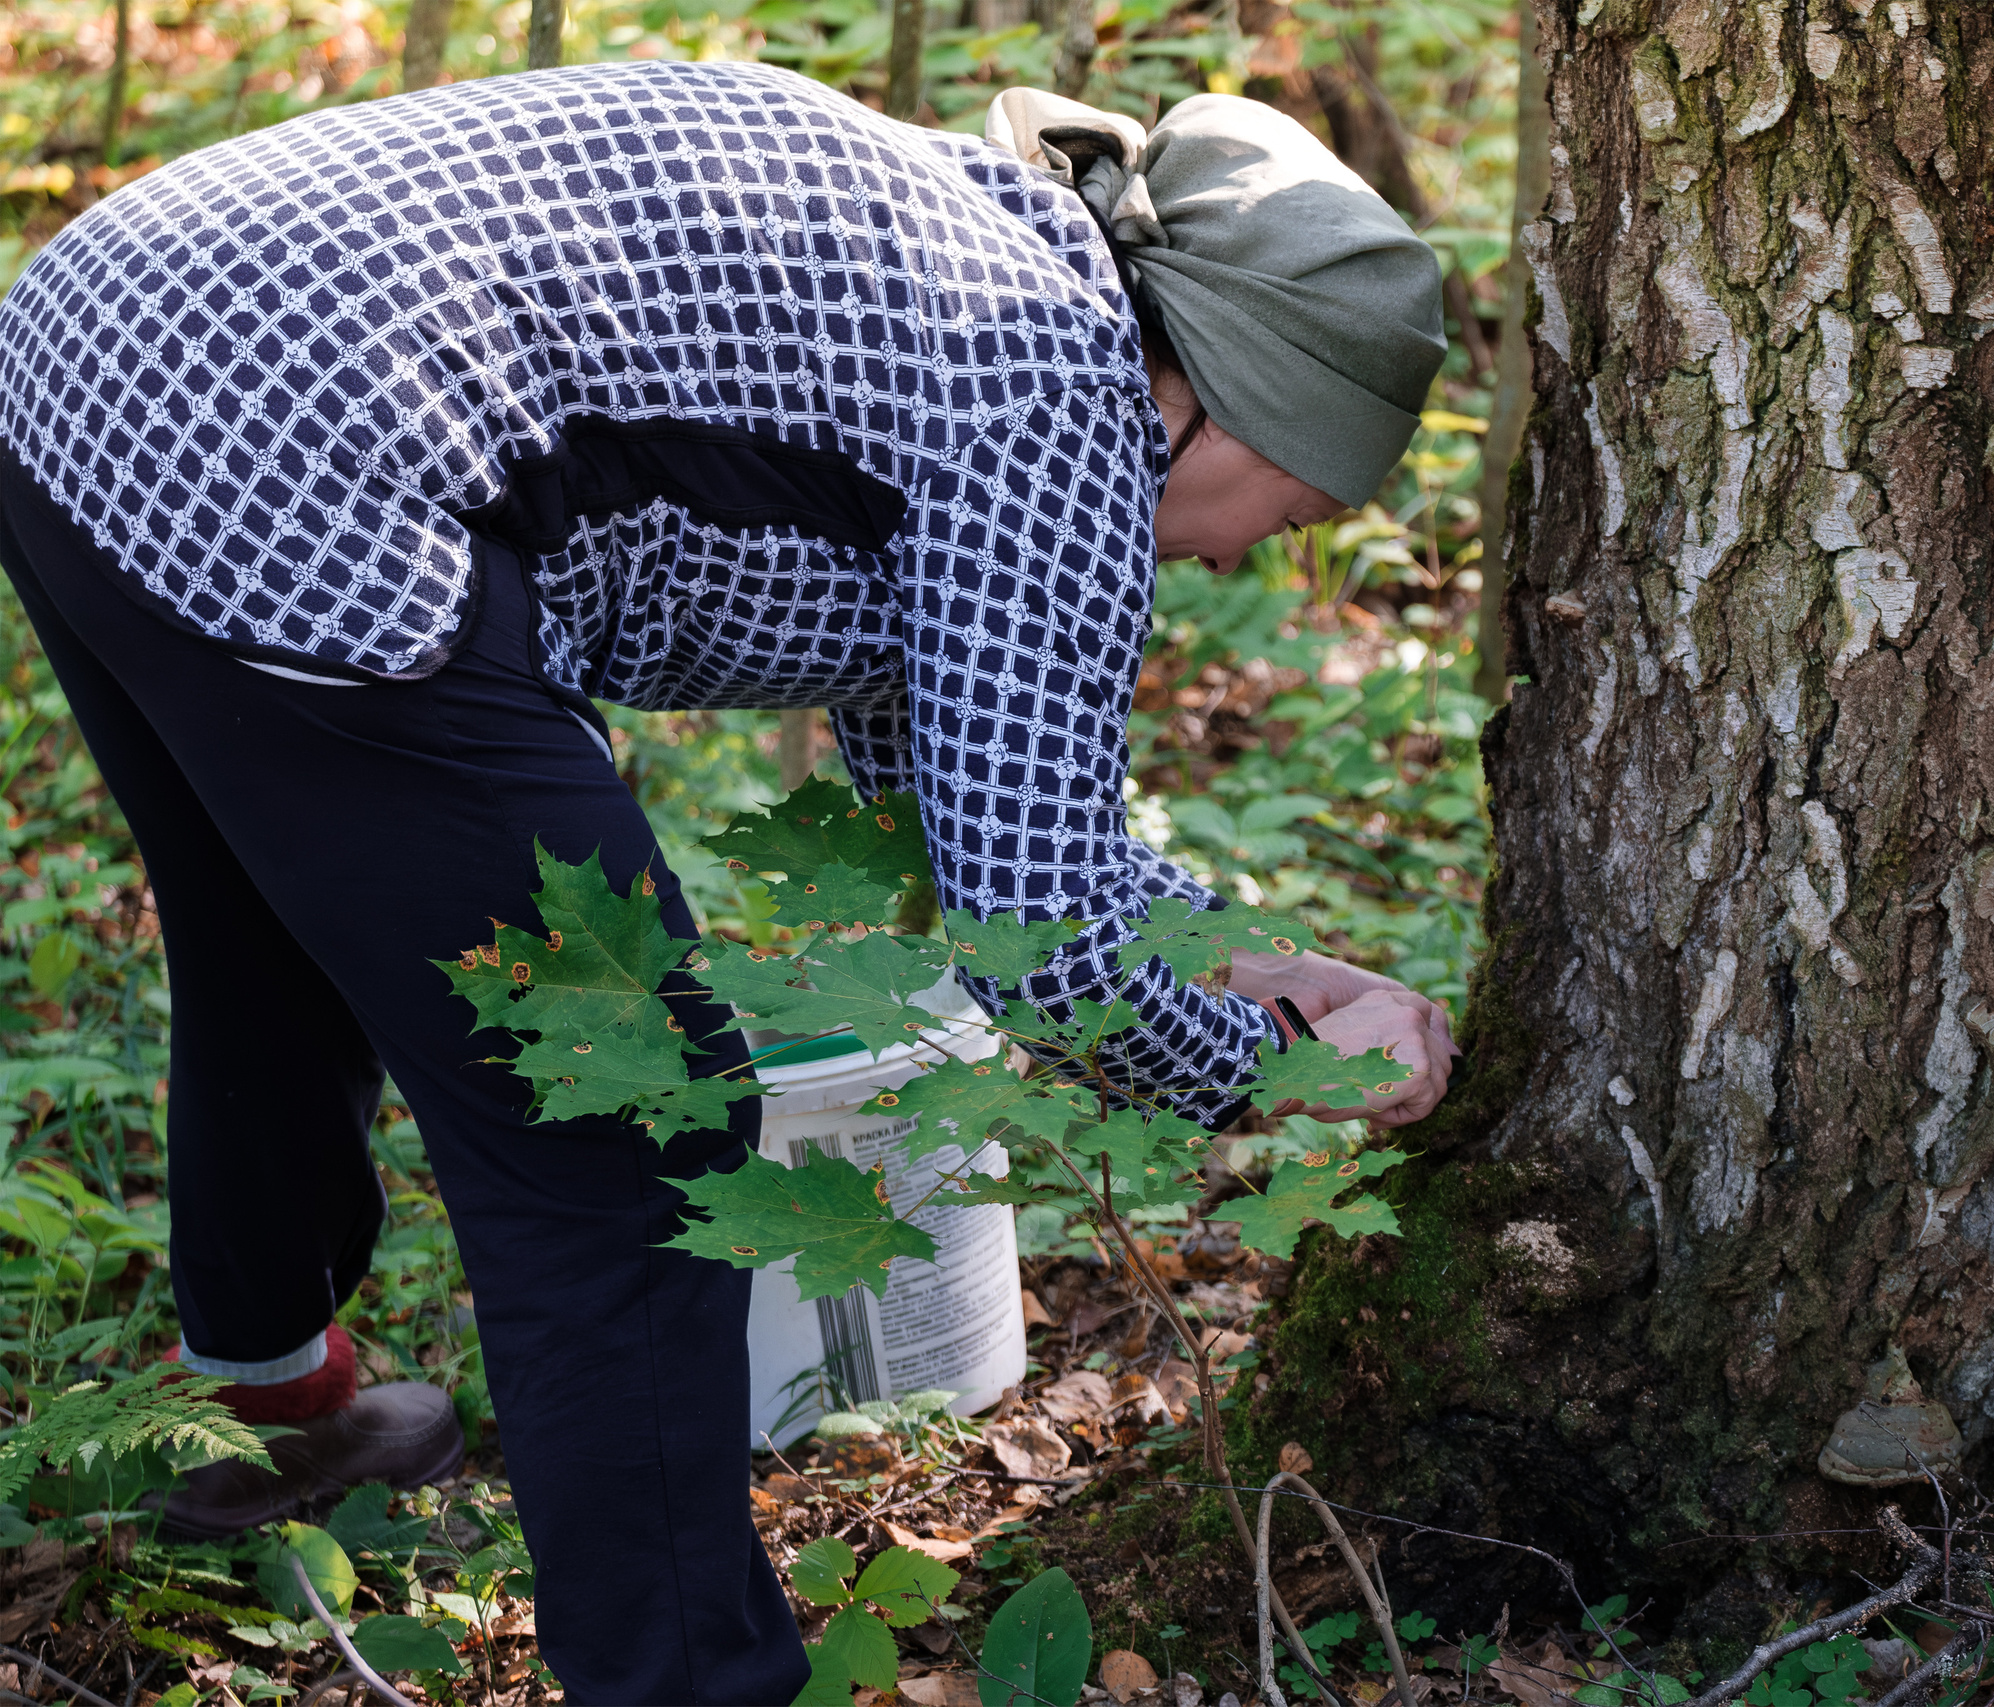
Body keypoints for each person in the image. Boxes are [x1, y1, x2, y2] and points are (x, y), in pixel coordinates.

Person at [0, 61, 1458, 1704]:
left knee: (266, 937)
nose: (1240, 559)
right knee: (637, 1117)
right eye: (1295, 509)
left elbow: (991, 815)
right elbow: (1036, 954)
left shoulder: (999, 288)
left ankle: (267, 1412)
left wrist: (1244, 961)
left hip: (98, 360)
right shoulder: (1063, 402)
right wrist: (1279, 1072)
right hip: (311, 448)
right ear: (1227, 403)